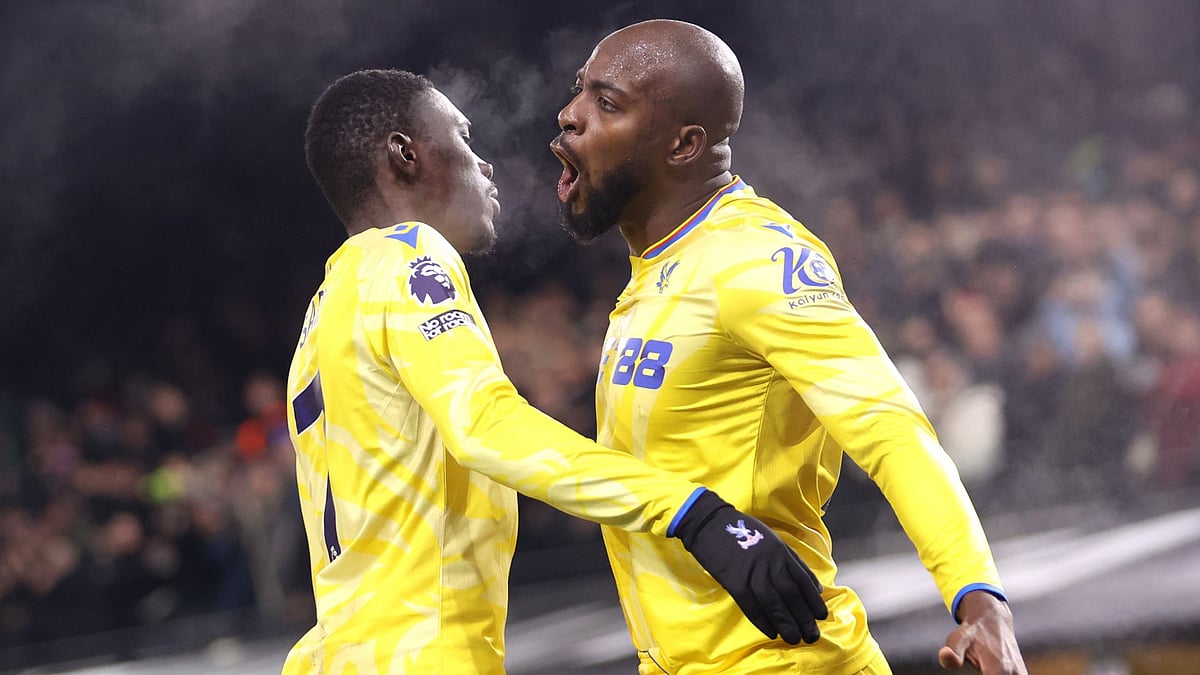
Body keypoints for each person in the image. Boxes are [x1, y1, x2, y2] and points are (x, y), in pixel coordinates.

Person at [283, 69, 828, 674]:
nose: (485, 165)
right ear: (406, 155)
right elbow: (486, 424)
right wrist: (691, 511)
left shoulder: (327, 304)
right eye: (464, 139)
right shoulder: (408, 255)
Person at [551, 20, 1027, 675]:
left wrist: (979, 597)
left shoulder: (757, 258)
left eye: (607, 103)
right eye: (580, 91)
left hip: (785, 659)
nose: (570, 116)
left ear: (685, 144)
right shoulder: (658, 269)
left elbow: (888, 426)